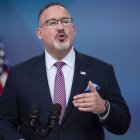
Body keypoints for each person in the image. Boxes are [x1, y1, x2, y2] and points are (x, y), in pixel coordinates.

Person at [0, 2, 131, 140]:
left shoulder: (101, 70)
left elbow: (123, 124)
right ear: (39, 33)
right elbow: (4, 121)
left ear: (73, 29)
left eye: (65, 21)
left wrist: (104, 108)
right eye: (52, 22)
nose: (61, 27)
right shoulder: (19, 74)